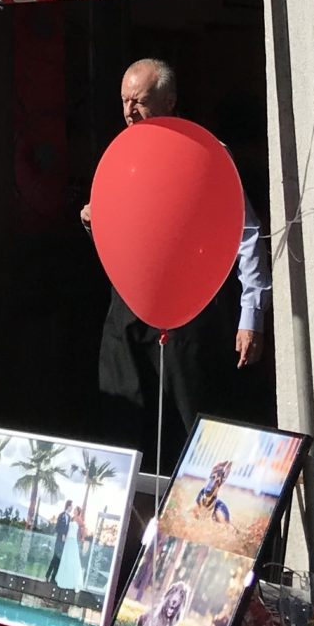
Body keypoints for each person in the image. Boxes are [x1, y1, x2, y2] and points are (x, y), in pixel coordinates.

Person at [84, 58, 270, 462]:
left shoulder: (204, 151)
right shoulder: (122, 153)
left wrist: (250, 314)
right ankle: (128, 522)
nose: (130, 112)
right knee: (122, 421)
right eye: (124, 101)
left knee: (193, 427)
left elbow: (247, 233)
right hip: (128, 310)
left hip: (190, 312)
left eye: (140, 101)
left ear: (169, 101)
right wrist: (93, 219)